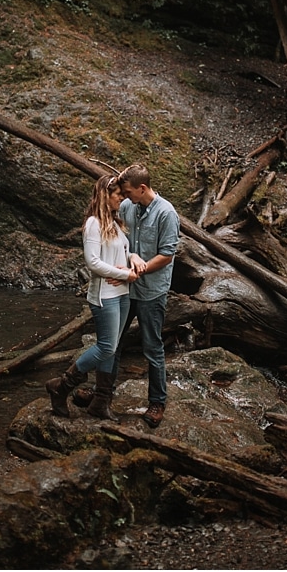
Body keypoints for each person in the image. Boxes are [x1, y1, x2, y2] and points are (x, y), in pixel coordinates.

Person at [45, 174, 138, 419]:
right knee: (106, 347)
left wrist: (133, 258)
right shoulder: (93, 224)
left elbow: (121, 253)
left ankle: (100, 402)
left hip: (122, 294)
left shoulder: (116, 224)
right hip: (104, 295)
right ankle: (61, 386)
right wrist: (123, 273)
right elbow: (93, 263)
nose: (122, 198)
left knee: (112, 347)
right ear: (105, 196)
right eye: (118, 195)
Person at [116, 163, 180, 428]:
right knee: (112, 341)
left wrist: (139, 271)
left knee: (152, 347)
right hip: (124, 287)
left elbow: (167, 255)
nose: (124, 196)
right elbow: (118, 236)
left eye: (129, 192)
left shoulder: (167, 213)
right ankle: (102, 393)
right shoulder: (126, 207)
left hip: (151, 290)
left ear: (142, 188)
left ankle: (157, 402)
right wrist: (129, 257)